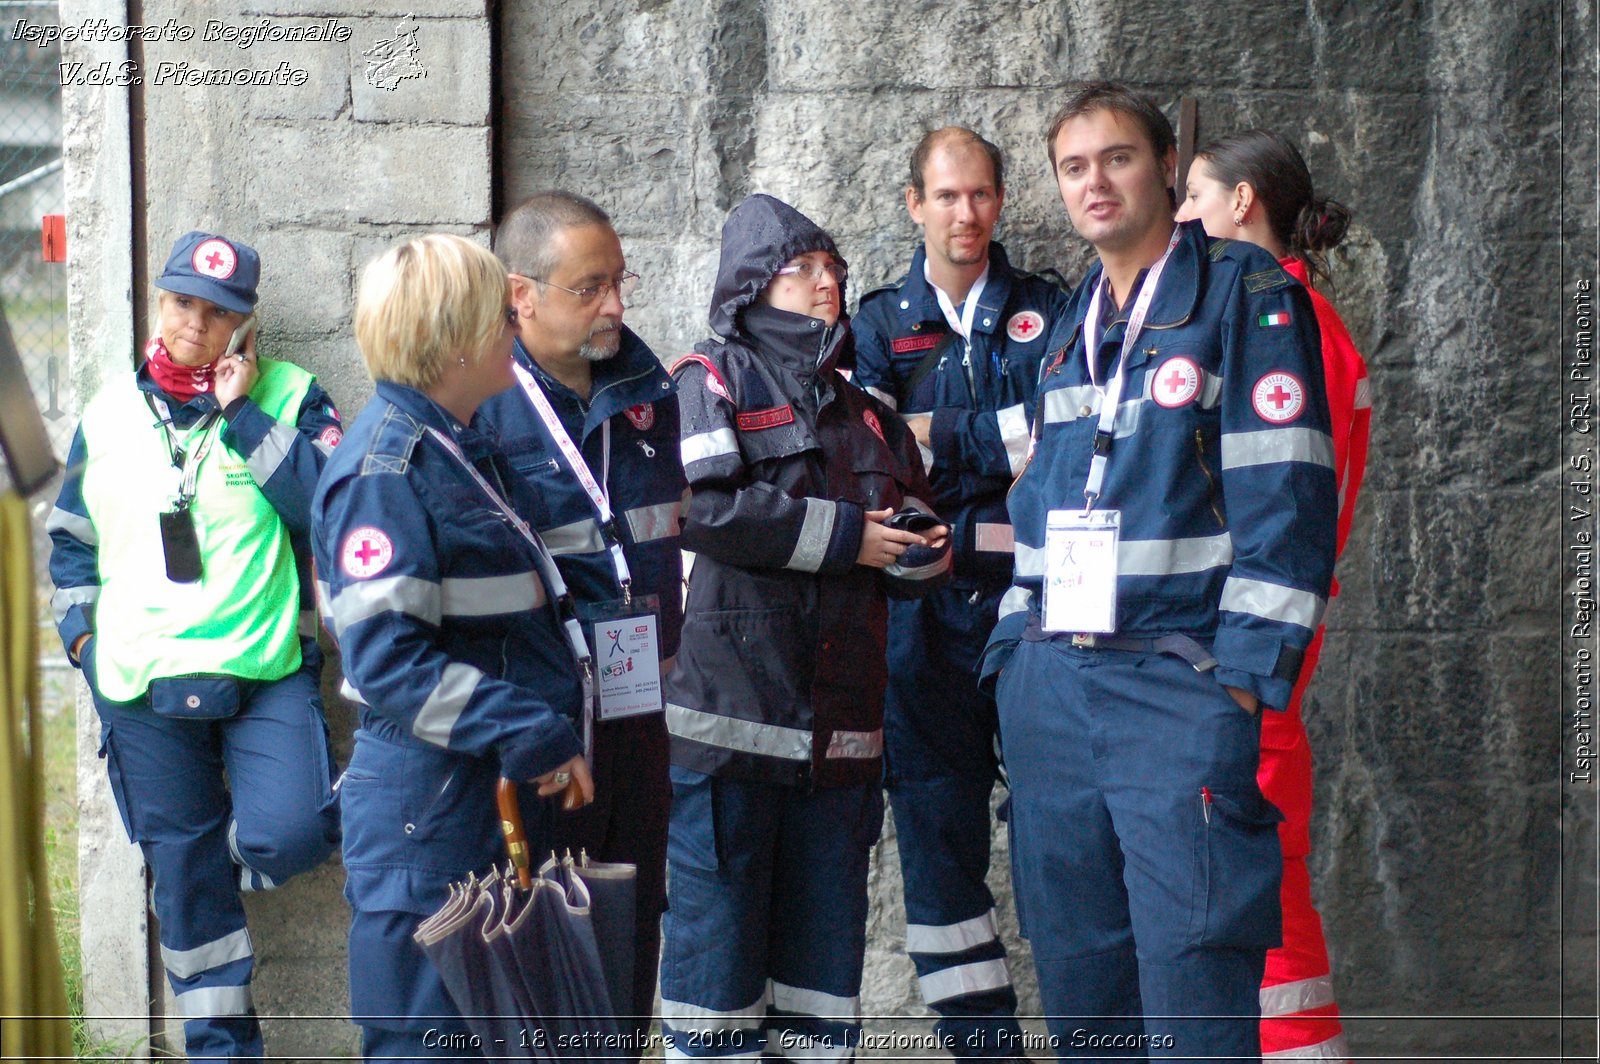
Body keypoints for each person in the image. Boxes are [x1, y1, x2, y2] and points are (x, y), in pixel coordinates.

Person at [981, 83, 1338, 1060]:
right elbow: (1038, 508)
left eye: (1118, 157)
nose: (1095, 181)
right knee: (1082, 989)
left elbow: (1289, 499)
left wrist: (1237, 684)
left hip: (1174, 692)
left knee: (1193, 987)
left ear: (1164, 170)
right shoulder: (1068, 325)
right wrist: (1013, 657)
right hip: (1054, 692)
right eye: (1073, 165)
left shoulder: (1243, 293)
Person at [660, 193, 951, 1061]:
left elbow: (919, 535)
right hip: (729, 745)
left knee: (822, 1005)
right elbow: (704, 507)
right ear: (752, 286)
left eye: (834, 271)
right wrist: (849, 538)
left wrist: (917, 553)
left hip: (840, 755)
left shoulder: (868, 414)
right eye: (804, 271)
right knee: (716, 996)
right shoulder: (708, 379)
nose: (827, 286)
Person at [48, 230, 340, 1060]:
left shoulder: (293, 397)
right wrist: (84, 644)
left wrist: (242, 413)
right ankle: (221, 1049)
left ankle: (212, 841)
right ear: (158, 302)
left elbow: (329, 510)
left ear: (248, 323)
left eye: (219, 313)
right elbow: (70, 544)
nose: (195, 327)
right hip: (140, 684)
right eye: (183, 304)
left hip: (264, 674)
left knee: (290, 834)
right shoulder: (107, 414)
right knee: (185, 883)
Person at [311, 234, 592, 1060]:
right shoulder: (385, 472)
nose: (517, 327)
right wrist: (527, 728)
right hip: (425, 819)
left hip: (472, 804)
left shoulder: (458, 450)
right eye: (502, 316)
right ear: (458, 338)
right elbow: (388, 662)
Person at [851, 126, 1069, 1058]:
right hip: (923, 628)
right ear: (915, 204)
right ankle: (982, 1046)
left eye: (980, 195)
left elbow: (1066, 439)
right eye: (946, 196)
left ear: (1001, 201)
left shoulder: (1054, 309)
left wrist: (935, 434)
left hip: (1039, 618)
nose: (966, 214)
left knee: (1064, 847)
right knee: (939, 852)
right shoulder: (871, 323)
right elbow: (871, 456)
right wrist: (1000, 442)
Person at [1177, 129, 1370, 1062]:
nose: (1181, 218)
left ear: (1243, 201)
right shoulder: (1296, 319)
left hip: (1256, 654)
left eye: (1196, 198)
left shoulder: (1285, 323)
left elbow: (1286, 512)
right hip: (1259, 648)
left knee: (1266, 893)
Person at [481, 190, 686, 1052]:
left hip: (640, 717)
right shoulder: (481, 407)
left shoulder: (649, 394)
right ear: (520, 296)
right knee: (543, 958)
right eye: (588, 288)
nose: (614, 306)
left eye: (619, 282)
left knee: (629, 941)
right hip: (544, 727)